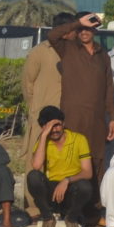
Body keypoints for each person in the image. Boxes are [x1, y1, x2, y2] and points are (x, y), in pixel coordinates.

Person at [46, 12, 114, 187]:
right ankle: (72, 206)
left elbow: (108, 88)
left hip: (97, 118)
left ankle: (96, 207)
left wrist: (113, 118)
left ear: (95, 30)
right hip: (73, 116)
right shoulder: (68, 48)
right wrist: (77, 22)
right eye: (81, 29)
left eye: (89, 28)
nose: (84, 32)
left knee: (96, 159)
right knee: (73, 158)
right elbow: (52, 35)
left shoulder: (103, 56)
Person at [24, 106, 96, 227]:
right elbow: (36, 165)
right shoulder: (42, 141)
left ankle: (71, 218)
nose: (55, 130)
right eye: (50, 126)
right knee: (33, 176)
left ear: (63, 123)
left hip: (70, 188)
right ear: (44, 128)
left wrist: (66, 180)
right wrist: (44, 136)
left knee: (85, 186)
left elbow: (87, 172)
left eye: (57, 125)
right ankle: (48, 217)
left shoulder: (79, 139)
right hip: (51, 192)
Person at [20, 13, 73, 141]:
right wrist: (35, 108)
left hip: (69, 116)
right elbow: (27, 84)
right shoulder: (39, 52)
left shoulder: (75, 52)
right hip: (43, 115)